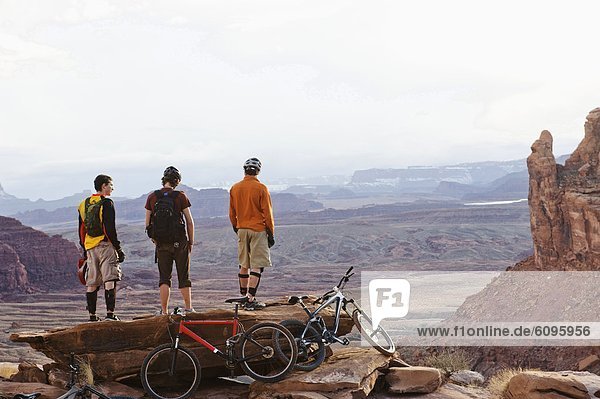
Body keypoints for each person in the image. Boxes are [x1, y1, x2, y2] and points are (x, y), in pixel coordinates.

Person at [145, 166, 195, 315]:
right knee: (183, 277)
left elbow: (147, 224)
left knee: (164, 278)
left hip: (161, 244)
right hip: (179, 242)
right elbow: (190, 222)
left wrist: (155, 239)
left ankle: (165, 311)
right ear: (177, 181)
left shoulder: (152, 197)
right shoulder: (180, 196)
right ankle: (188, 308)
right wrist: (190, 242)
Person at [229, 158, 275, 310]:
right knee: (256, 265)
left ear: (244, 170)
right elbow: (267, 213)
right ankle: (250, 299)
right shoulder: (261, 188)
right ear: (258, 171)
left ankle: (243, 296)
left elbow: (232, 213)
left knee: (243, 264)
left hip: (242, 229)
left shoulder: (235, 188)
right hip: (258, 230)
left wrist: (237, 228)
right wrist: (270, 233)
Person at [78, 174, 125, 322]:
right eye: (111, 185)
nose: (112, 188)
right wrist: (117, 248)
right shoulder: (107, 203)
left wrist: (85, 249)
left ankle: (92, 316)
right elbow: (109, 228)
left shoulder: (83, 204)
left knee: (92, 281)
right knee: (109, 279)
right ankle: (110, 314)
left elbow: (81, 229)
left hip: (90, 247)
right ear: (104, 186)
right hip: (106, 246)